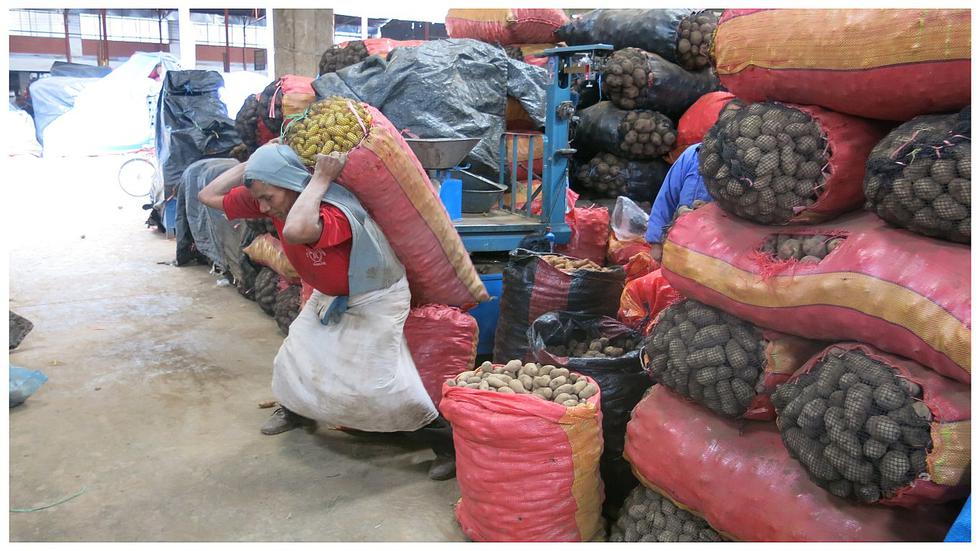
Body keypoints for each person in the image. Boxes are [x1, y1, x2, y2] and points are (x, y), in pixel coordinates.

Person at [198, 143, 456, 480]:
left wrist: (319, 179)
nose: (262, 207)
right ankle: (296, 411)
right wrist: (251, 165)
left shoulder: (335, 208)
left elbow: (295, 231)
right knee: (295, 357)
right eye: (258, 198)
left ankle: (445, 444)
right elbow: (207, 195)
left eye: (268, 198)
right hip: (331, 294)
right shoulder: (276, 198)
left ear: (292, 184)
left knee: (382, 383)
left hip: (376, 296)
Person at [645, 142, 713, 262]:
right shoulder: (692, 155)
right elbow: (666, 198)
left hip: (718, 260)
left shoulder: (745, 167)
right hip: (677, 249)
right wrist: (656, 242)